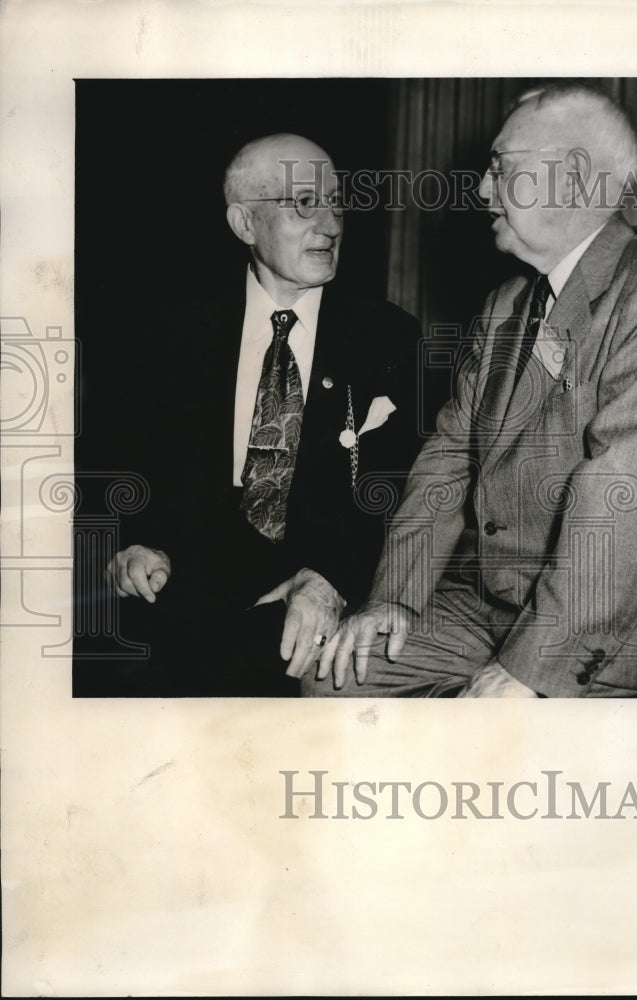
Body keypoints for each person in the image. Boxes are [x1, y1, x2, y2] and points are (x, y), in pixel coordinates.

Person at [304, 83, 637, 698]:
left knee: (491, 735)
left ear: (570, 177)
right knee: (332, 679)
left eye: (500, 167)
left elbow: (624, 500)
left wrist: (530, 670)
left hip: (622, 622)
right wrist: (395, 597)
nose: (481, 189)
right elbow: (448, 458)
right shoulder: (506, 304)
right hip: (494, 603)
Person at [76, 133, 422, 696]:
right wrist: (133, 544)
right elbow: (116, 456)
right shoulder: (168, 333)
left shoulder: (390, 338)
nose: (330, 225)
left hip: (318, 606)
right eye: (303, 203)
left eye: (335, 204)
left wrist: (332, 578)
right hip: (178, 602)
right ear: (244, 223)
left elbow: (410, 489)